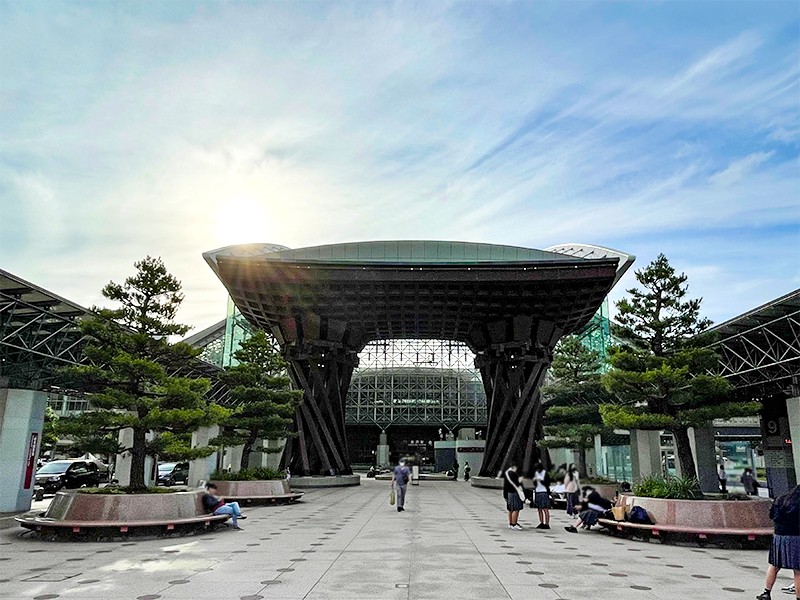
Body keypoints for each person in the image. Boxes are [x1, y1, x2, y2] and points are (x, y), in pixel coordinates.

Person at [756, 485, 800, 600]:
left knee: (775, 565)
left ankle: (766, 592)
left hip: (779, 537)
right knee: (798, 570)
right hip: (796, 537)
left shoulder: (781, 499)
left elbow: (772, 516)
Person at [503, 463, 525, 530]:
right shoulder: (513, 474)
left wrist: (505, 495)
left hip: (509, 493)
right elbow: (517, 484)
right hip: (515, 493)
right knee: (516, 509)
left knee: (510, 509)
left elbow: (505, 485)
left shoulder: (506, 473)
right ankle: (514, 524)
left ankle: (511, 523)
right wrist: (520, 480)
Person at [532, 462, 551, 529]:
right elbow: (534, 483)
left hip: (544, 491)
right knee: (539, 508)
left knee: (545, 508)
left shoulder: (545, 473)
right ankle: (541, 522)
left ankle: (547, 523)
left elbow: (547, 483)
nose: (538, 471)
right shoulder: (536, 473)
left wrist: (541, 480)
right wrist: (535, 480)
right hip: (538, 491)